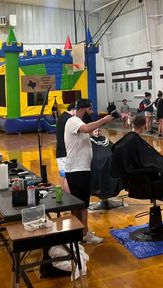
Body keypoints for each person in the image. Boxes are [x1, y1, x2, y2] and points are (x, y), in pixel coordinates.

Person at [64, 99, 114, 244]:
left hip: (81, 169)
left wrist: (98, 127)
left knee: (79, 204)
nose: (92, 112)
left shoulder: (79, 124)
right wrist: (103, 120)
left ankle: (77, 232)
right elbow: (86, 129)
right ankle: (83, 233)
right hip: (77, 170)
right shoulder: (74, 120)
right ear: (82, 109)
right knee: (82, 205)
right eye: (90, 110)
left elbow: (87, 133)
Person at [55, 103, 76, 194]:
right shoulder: (69, 119)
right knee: (68, 177)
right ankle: (71, 198)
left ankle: (67, 196)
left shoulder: (62, 117)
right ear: (74, 110)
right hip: (66, 152)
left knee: (64, 176)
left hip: (60, 152)